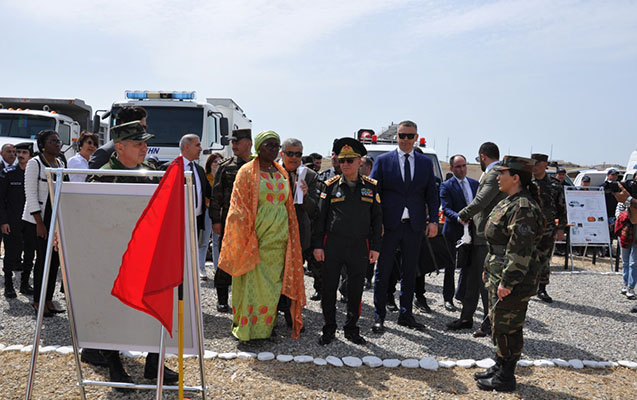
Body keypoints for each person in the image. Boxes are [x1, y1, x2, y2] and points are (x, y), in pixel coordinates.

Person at [88, 121, 178, 390]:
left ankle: (154, 361)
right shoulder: (103, 177)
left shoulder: (148, 170)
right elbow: (92, 218)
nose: (145, 148)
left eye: (145, 142)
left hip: (146, 253)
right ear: (120, 146)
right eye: (139, 143)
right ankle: (114, 366)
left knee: (152, 305)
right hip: (114, 255)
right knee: (113, 310)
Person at [217, 130, 305, 340]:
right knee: (253, 285)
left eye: (276, 146)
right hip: (256, 239)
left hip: (279, 241)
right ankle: (248, 330)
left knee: (272, 287)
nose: (273, 149)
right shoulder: (246, 171)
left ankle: (267, 327)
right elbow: (238, 207)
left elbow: (287, 206)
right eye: (269, 145)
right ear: (258, 147)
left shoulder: (281, 172)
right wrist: (249, 234)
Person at [475, 156, 545, 392]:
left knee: (508, 327)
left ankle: (506, 377)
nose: (497, 177)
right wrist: (488, 270)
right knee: (498, 323)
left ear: (515, 178)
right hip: (498, 273)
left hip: (512, 279)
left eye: (502, 173)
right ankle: (499, 365)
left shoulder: (523, 208)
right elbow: (496, 244)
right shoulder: (509, 202)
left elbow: (519, 250)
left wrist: (507, 281)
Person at [370, 120, 439, 334]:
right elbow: (374, 195)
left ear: (416, 137)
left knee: (410, 272)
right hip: (389, 226)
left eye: (410, 136)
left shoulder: (425, 163)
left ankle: (406, 314)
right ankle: (379, 315)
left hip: (414, 225)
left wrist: (433, 220)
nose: (406, 140)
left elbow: (432, 194)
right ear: (396, 137)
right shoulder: (383, 161)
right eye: (402, 135)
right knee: (383, 271)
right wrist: (376, 224)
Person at [313, 137, 381, 345]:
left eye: (350, 160)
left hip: (359, 246)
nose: (345, 164)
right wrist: (318, 246)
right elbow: (320, 218)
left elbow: (377, 220)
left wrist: (376, 248)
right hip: (333, 245)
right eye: (342, 160)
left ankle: (352, 329)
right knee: (329, 289)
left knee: (355, 290)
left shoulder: (371, 187)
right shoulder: (330, 186)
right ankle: (329, 328)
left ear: (360, 161)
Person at [447, 142, 505, 338]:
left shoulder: (494, 173)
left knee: (485, 282)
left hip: (486, 235)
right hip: (477, 235)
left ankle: (489, 324)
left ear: (482, 156)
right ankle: (466, 318)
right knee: (471, 279)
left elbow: (482, 201)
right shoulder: (493, 172)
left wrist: (463, 214)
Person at [23, 130, 66, 318]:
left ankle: (49, 299)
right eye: (53, 141)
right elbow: (30, 194)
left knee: (54, 262)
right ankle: (38, 302)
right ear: (42, 145)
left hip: (54, 218)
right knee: (42, 261)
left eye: (58, 141)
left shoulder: (60, 163)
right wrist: (39, 223)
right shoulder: (35, 163)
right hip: (37, 220)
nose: (57, 144)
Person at [210, 128, 252, 313]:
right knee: (226, 260)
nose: (233, 145)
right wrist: (216, 220)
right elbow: (216, 195)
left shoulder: (257, 165)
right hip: (230, 222)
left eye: (237, 142)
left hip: (252, 223)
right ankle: (222, 299)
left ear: (249, 143)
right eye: (232, 142)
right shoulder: (226, 166)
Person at [279, 138, 318, 325]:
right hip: (275, 232)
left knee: (294, 276)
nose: (294, 158)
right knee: (274, 275)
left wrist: (305, 195)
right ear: (282, 154)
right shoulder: (271, 172)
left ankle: (291, 316)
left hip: (299, 234)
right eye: (290, 153)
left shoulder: (309, 175)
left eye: (298, 154)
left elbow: (314, 209)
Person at [439, 154, 479, 311]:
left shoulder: (475, 184)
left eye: (464, 166)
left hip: (471, 230)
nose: (462, 169)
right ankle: (447, 298)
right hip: (453, 230)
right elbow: (446, 208)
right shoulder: (446, 186)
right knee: (450, 265)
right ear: (451, 168)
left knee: (468, 264)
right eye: (458, 167)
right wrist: (459, 218)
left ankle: (461, 294)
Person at [0, 142, 35, 298]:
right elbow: (1, 200)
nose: (19, 155)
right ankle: (8, 285)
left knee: (29, 254)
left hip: (30, 220)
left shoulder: (34, 174)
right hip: (12, 221)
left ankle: (25, 284)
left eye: (23, 152)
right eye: (18, 152)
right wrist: (3, 221)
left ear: (30, 156)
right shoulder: (7, 173)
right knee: (10, 254)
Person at [531, 153, 566, 303]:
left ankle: (542, 288)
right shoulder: (526, 183)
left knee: (544, 259)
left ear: (545, 165)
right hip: (528, 228)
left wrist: (561, 228)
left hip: (547, 228)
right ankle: (526, 288)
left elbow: (562, 209)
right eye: (533, 163)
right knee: (525, 258)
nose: (534, 167)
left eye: (537, 164)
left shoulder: (554, 185)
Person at [179, 134, 212, 281]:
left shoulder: (198, 170)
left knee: (192, 254)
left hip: (196, 221)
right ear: (187, 147)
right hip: (178, 221)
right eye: (197, 145)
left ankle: (190, 281)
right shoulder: (171, 167)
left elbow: (209, 192)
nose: (201, 149)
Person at [203, 152, 224, 272]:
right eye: (215, 161)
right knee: (204, 241)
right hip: (207, 210)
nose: (217, 164)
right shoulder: (205, 177)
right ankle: (201, 268)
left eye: (219, 161)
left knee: (217, 242)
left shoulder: (223, 177)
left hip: (219, 212)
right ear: (210, 164)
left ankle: (217, 268)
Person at [359, 156, 375, 289]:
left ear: (369, 168)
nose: (359, 167)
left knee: (369, 253)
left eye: (362, 165)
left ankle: (368, 278)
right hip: (356, 226)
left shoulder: (373, 185)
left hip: (369, 226)